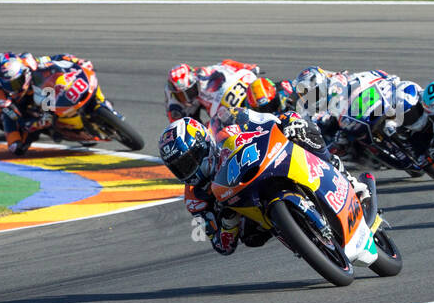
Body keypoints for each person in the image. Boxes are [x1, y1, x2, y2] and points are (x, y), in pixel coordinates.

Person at [158, 110, 368, 257]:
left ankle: (344, 176)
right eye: (180, 167)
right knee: (250, 238)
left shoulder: (226, 132)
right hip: (249, 212)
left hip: (265, 166)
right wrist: (228, 224)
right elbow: (221, 246)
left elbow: (265, 120)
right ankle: (297, 237)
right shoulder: (195, 199)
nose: (188, 170)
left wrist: (283, 123)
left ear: (203, 144)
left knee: (297, 125)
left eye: (189, 160)